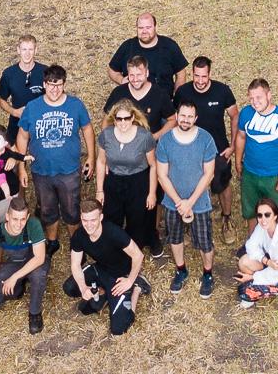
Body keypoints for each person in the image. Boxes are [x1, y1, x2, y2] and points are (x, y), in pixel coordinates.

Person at [18, 64, 93, 257]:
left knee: (71, 208)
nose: (55, 89)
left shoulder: (75, 105)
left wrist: (91, 157)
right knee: (47, 208)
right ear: (44, 84)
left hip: (69, 170)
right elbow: (23, 136)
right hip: (41, 170)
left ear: (64, 84)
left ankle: (76, 244)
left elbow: (87, 129)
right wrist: (21, 165)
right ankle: (52, 241)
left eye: (59, 85)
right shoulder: (33, 107)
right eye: (51, 85)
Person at [156, 101, 218, 297]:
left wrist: (190, 202)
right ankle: (181, 269)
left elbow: (209, 174)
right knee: (175, 238)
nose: (185, 120)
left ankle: (208, 274)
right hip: (172, 202)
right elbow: (161, 175)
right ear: (177, 115)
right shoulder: (166, 140)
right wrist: (178, 202)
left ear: (196, 118)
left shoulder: (206, 139)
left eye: (190, 116)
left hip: (199, 203)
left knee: (205, 242)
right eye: (183, 115)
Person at [62, 197, 148, 336]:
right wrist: (84, 288)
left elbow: (138, 256)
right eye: (85, 220)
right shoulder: (79, 235)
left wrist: (129, 280)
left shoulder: (113, 232)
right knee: (69, 287)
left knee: (119, 328)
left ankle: (137, 287)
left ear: (101, 217)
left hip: (119, 276)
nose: (89, 225)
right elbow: (75, 264)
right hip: (100, 269)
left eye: (93, 220)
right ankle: (103, 292)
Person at [173, 56, 237, 233]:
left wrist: (232, 146)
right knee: (188, 184)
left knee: (222, 185)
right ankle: (187, 219)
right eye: (196, 76)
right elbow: (173, 118)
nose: (200, 81)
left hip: (218, 149)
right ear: (192, 74)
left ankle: (226, 219)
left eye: (204, 76)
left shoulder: (222, 91)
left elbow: (235, 116)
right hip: (189, 149)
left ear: (210, 74)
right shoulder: (183, 92)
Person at [95, 102, 158, 257]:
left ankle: (135, 254)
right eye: (119, 119)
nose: (123, 122)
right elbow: (101, 162)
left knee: (136, 219)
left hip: (138, 182)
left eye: (126, 118)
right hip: (114, 181)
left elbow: (153, 165)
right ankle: (114, 250)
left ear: (133, 118)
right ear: (114, 119)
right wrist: (99, 190)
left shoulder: (144, 136)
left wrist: (152, 193)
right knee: (111, 217)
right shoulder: (106, 135)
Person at [0, 195, 50, 334]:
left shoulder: (34, 224)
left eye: (23, 219)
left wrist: (13, 278)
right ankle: (18, 290)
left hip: (34, 262)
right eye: (15, 219)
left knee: (38, 276)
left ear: (28, 216)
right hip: (15, 262)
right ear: (7, 216)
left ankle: (35, 312)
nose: (19, 224)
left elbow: (39, 258)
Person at [233, 78, 278, 221]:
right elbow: (241, 137)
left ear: (269, 95)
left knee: (274, 214)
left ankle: (274, 242)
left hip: (273, 176)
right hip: (250, 173)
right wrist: (238, 162)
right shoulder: (246, 113)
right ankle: (252, 241)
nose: (254, 101)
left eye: (258, 97)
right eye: (251, 98)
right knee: (250, 211)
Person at [107, 13, 188, 89]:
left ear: (156, 27)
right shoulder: (127, 46)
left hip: (164, 101)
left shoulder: (170, 46)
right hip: (133, 101)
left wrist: (177, 96)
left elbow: (181, 74)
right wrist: (121, 80)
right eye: (141, 28)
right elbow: (112, 70)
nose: (144, 31)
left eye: (148, 27)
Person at [103, 55, 175, 137]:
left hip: (150, 144)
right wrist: (108, 141)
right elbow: (106, 120)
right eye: (132, 75)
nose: (135, 79)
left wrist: (155, 137)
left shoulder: (160, 94)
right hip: (122, 143)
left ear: (147, 73)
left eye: (139, 75)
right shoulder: (118, 92)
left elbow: (172, 120)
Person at [0, 34, 46, 149]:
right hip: (17, 123)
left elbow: (53, 96)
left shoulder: (44, 71)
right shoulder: (9, 74)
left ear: (36, 50)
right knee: (17, 158)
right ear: (18, 50)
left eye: (30, 49)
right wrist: (14, 112)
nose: (27, 53)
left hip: (40, 123)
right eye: (24, 49)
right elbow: (1, 100)